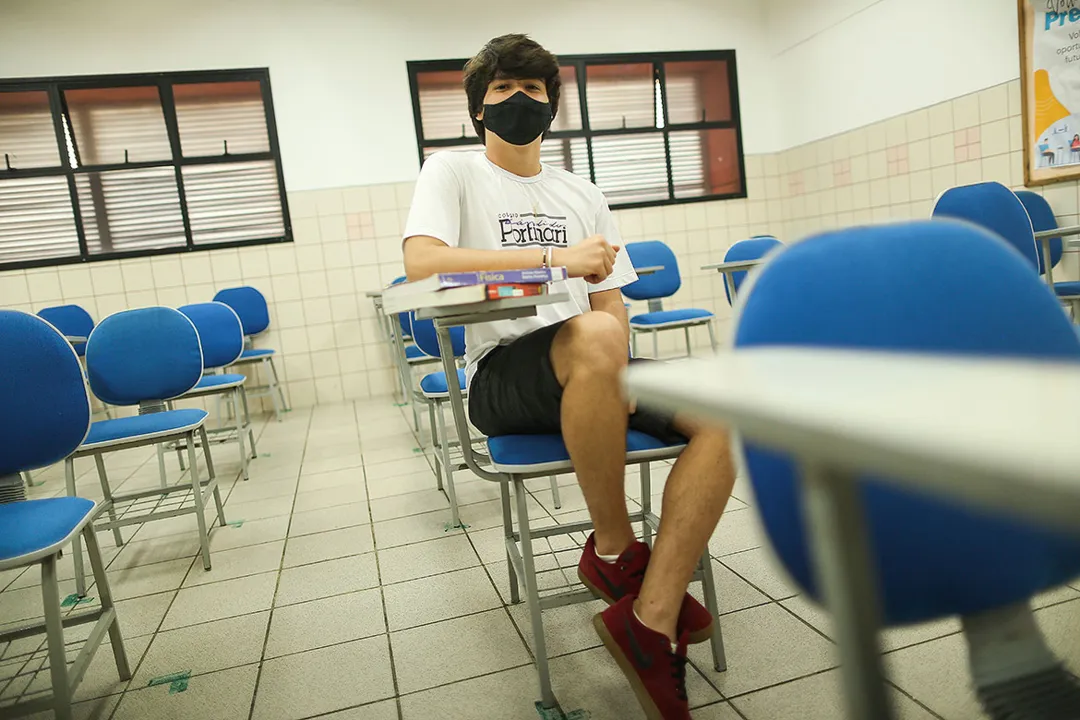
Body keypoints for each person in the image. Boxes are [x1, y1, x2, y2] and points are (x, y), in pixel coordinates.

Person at [402, 34, 735, 720]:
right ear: (477, 111)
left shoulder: (580, 191)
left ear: (552, 105)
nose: (518, 101)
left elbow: (611, 301)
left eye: (532, 90)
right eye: (501, 90)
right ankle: (612, 548)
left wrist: (624, 366)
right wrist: (557, 262)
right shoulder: (453, 172)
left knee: (722, 412)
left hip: (595, 361)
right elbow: (422, 265)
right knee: (592, 334)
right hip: (505, 375)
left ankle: (651, 612)